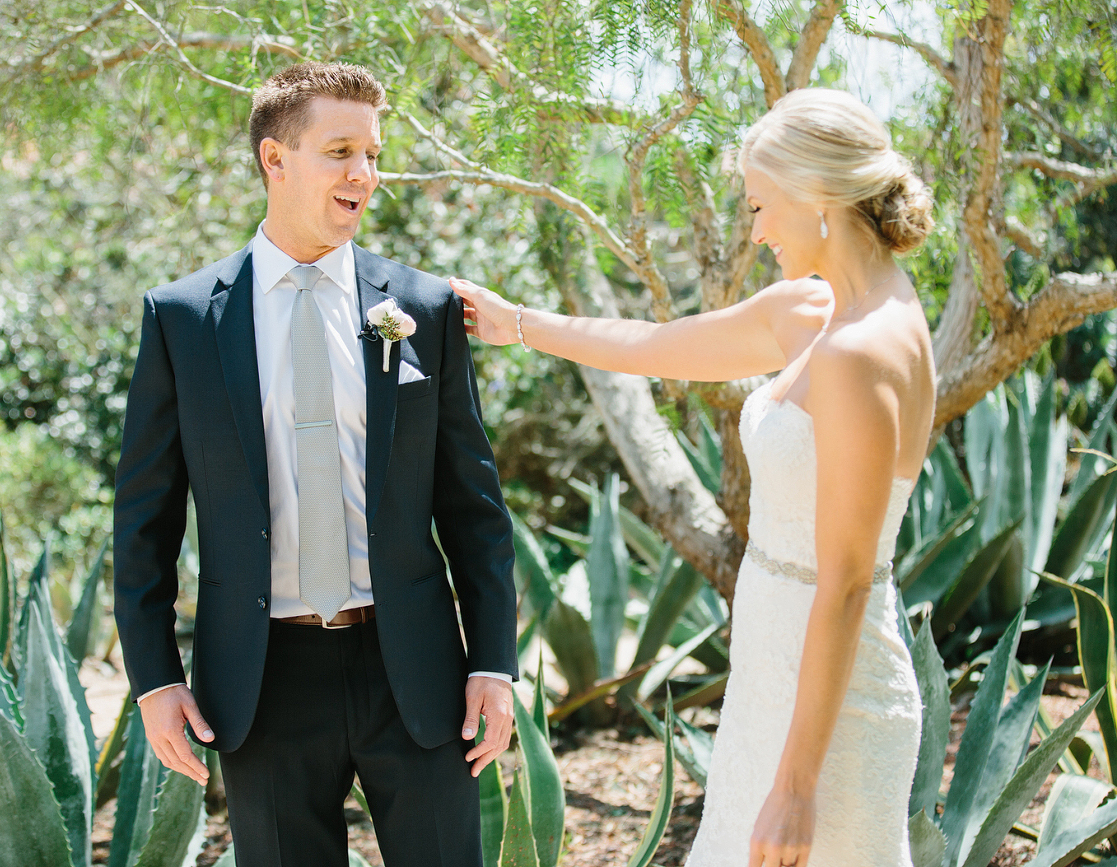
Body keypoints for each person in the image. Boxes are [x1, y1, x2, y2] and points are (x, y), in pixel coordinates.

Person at [451, 87, 935, 867]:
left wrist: (797, 784)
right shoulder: (818, 311)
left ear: (816, 195)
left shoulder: (859, 350)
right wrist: (519, 325)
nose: (757, 229)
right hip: (771, 674)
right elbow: (657, 343)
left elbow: (845, 581)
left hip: (830, 718)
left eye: (759, 205)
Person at [112, 61, 518, 867]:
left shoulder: (422, 307)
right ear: (275, 159)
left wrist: (494, 663)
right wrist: (156, 680)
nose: (363, 174)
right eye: (340, 151)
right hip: (261, 677)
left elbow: (474, 504)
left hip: (416, 669)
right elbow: (144, 518)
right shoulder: (183, 317)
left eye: (372, 153)